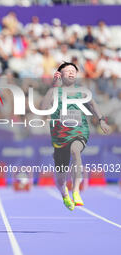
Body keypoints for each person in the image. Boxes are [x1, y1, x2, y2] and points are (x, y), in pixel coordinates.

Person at [42, 62, 110, 211]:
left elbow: (93, 105)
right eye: (68, 71)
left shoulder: (83, 91)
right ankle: (64, 193)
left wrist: (101, 121)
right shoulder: (54, 92)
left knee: (76, 152)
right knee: (60, 177)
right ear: (60, 75)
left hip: (79, 130)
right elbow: (43, 108)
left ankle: (76, 190)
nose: (72, 73)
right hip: (60, 135)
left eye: (74, 71)